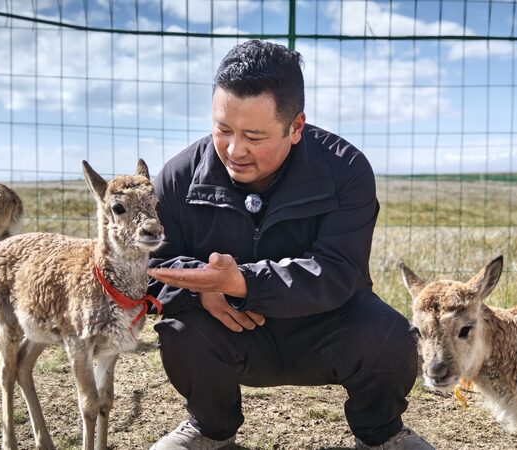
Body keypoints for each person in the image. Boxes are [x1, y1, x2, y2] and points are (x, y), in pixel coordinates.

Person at [146, 39, 433, 450]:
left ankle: (381, 433)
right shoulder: (177, 177)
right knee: (180, 330)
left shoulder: (345, 170)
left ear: (296, 127)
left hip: (326, 325)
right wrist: (201, 290)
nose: (234, 149)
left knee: (389, 336)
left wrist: (241, 282)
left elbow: (338, 271)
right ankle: (209, 428)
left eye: (254, 136)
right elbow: (149, 266)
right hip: (228, 329)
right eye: (222, 129)